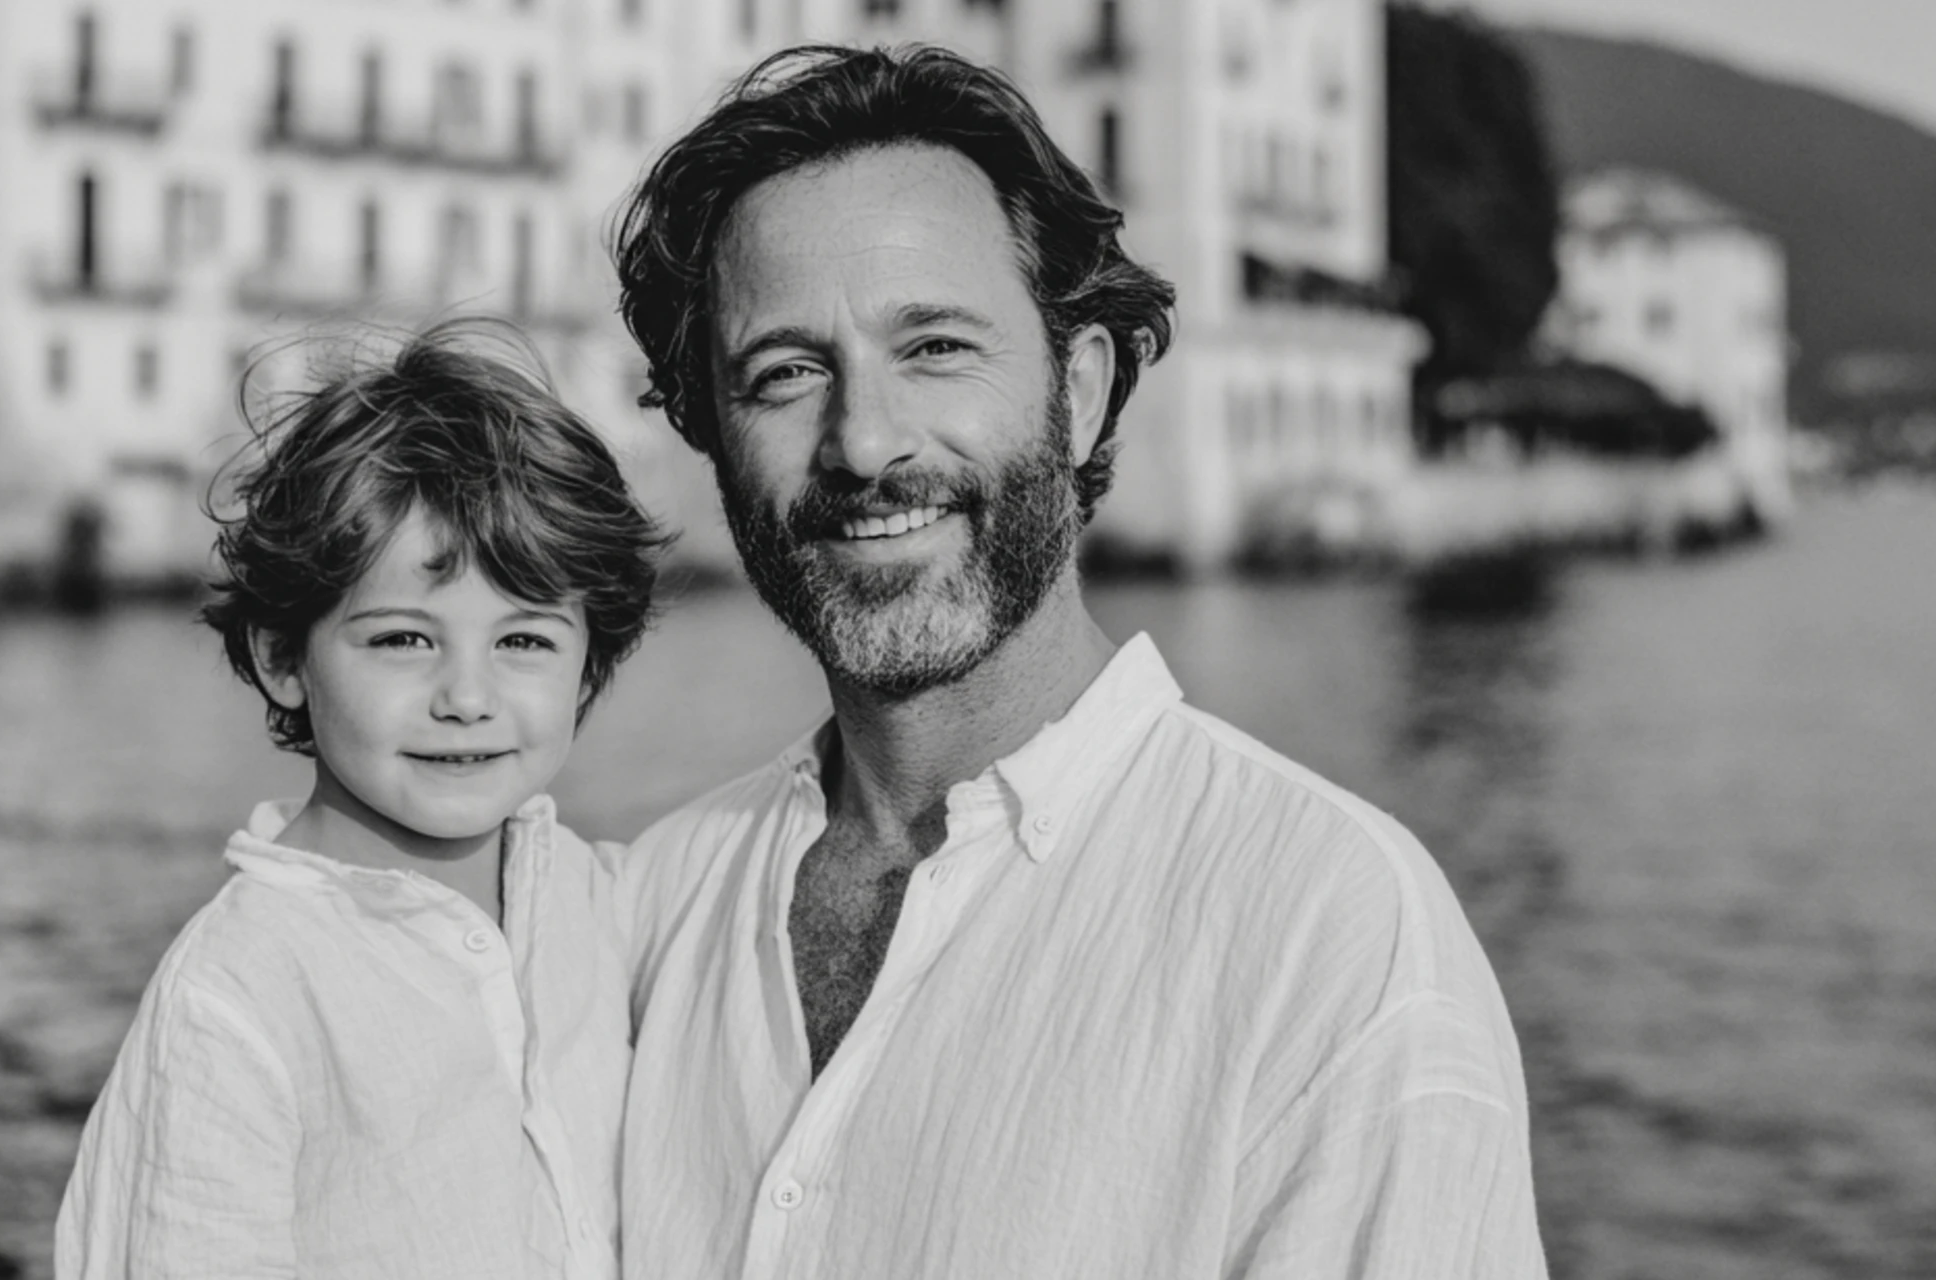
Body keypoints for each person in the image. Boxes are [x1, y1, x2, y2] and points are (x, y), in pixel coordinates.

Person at [608, 45, 1547, 1279]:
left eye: (936, 346)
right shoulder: (648, 906)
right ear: (714, 440)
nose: (865, 440)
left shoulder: (1331, 930)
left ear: (1085, 389)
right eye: (784, 373)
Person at [53, 323, 668, 1280]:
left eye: (525, 643)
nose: (467, 697)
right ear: (282, 655)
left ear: (590, 667)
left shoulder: (597, 900)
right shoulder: (240, 998)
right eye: (401, 641)